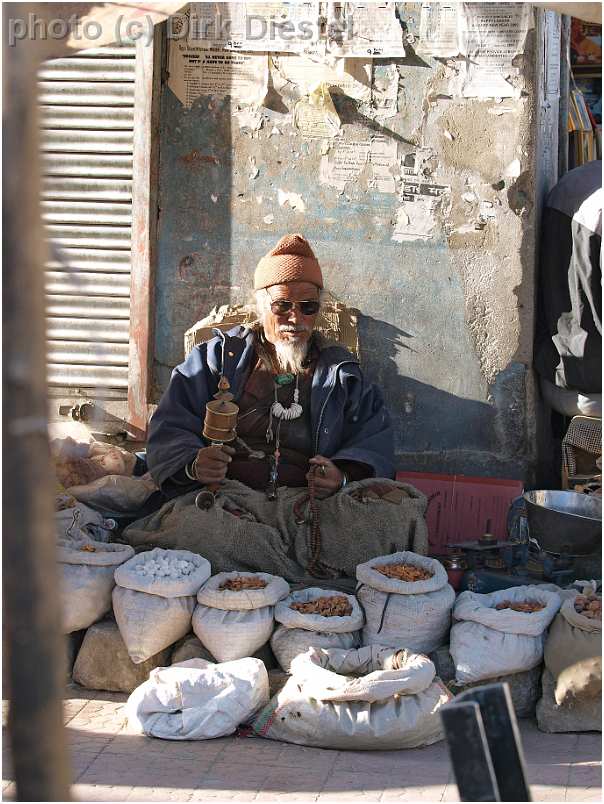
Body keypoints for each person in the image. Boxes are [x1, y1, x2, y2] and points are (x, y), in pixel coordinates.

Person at [124, 234, 428, 582]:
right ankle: (300, 570)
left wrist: (341, 476)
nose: (293, 318)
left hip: (311, 509)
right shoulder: (216, 359)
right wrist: (195, 465)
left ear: (318, 311)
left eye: (307, 307)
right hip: (229, 505)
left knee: (400, 515)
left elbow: (374, 444)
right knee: (197, 528)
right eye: (282, 305)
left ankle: (263, 566)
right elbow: (169, 426)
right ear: (260, 305)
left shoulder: (342, 373)